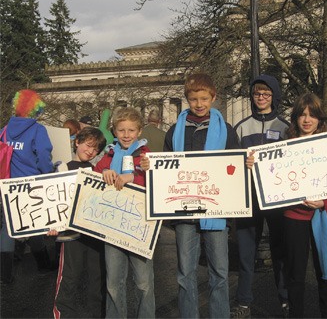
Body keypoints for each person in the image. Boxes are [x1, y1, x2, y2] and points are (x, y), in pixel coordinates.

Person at [163, 73, 240, 318]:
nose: (199, 104)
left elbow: (235, 167)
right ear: (187, 99)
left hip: (217, 212)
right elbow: (165, 168)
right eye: (194, 99)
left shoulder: (225, 130)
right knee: (186, 273)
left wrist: (244, 164)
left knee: (219, 272)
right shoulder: (175, 130)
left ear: (213, 98)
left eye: (204, 98)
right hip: (184, 213)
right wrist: (149, 167)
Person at [231, 74, 290, 318]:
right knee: (246, 252)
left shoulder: (285, 127)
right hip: (249, 197)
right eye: (257, 94)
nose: (261, 98)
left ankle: (286, 301)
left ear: (274, 96)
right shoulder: (242, 127)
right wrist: (240, 162)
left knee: (280, 251)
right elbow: (230, 164)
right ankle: (243, 303)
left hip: (277, 198)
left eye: (266, 94)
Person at [283, 92, 327, 318]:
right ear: (295, 118)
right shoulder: (284, 147)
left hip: (322, 216)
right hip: (293, 217)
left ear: (320, 119)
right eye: (302, 115)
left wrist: (324, 202)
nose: (307, 120)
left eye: (312, 115)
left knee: (325, 272)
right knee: (295, 275)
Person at [94, 107, 155, 318]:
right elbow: (92, 176)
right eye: (121, 130)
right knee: (113, 283)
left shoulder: (146, 156)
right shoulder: (108, 154)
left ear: (139, 131)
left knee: (144, 283)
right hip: (112, 226)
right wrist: (104, 172)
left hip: (140, 226)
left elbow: (158, 183)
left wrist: (135, 178)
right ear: (115, 131)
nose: (126, 135)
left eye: (131, 130)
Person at [50, 127, 107, 318]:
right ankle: (63, 314)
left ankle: (96, 315)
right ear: (77, 142)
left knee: (96, 278)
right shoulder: (62, 167)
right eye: (88, 145)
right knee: (70, 277)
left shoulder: (97, 170)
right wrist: (51, 225)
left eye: (95, 149)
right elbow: (51, 200)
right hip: (70, 234)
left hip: (93, 234)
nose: (91, 151)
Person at [0, 89, 56, 284]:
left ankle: (5, 274)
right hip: (31, 184)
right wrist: (47, 174)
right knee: (35, 224)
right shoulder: (38, 130)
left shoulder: (5, 129)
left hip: (9, 185)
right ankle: (43, 265)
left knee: (8, 227)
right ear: (36, 109)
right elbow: (43, 156)